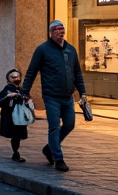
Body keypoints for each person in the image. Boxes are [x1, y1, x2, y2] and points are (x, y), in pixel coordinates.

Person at [21, 20, 87, 172]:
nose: (60, 33)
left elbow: (77, 72)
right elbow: (31, 72)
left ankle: (49, 148)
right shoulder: (42, 50)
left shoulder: (70, 49)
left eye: (62, 30)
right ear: (51, 32)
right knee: (54, 127)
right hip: (51, 96)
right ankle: (58, 158)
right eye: (57, 30)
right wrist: (25, 91)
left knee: (70, 124)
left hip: (68, 96)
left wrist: (82, 92)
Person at [0, 68, 30, 162]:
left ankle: (16, 152)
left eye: (18, 76)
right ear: (9, 79)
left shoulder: (21, 89)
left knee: (17, 135)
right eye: (13, 77)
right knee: (15, 136)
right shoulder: (7, 90)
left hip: (20, 116)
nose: (16, 78)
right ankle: (15, 153)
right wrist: (8, 97)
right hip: (10, 117)